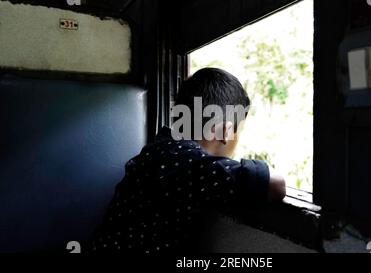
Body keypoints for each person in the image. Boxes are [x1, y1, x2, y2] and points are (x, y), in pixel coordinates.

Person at [88, 68, 286, 254]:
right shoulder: (192, 165)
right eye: (238, 132)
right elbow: (276, 185)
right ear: (224, 131)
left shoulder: (160, 148)